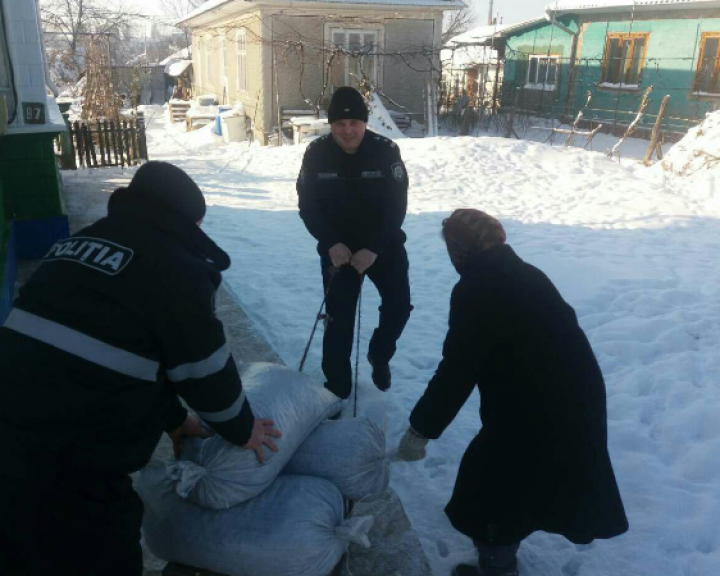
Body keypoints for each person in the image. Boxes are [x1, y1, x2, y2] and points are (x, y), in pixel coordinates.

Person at [0, 162, 281, 576]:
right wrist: (243, 429)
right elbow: (204, 370)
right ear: (187, 221)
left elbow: (121, 348)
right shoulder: (177, 269)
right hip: (70, 462)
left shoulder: (80, 242)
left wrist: (174, 419)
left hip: (11, 422)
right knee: (99, 552)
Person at [397, 209, 629, 576]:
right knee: (521, 481)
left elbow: (457, 370)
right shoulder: (527, 273)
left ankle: (499, 569)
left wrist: (419, 430)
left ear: (460, 252)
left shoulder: (476, 289)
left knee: (491, 489)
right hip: (575, 395)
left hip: (536, 409)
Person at [297, 86, 413, 399]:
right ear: (331, 125)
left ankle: (380, 353)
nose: (347, 131)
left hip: (383, 245)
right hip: (339, 252)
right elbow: (308, 205)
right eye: (339, 125)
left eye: (354, 124)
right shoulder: (316, 153)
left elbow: (397, 206)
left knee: (399, 306)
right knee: (338, 322)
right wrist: (331, 242)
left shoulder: (385, 150)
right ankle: (337, 389)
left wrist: (374, 248)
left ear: (364, 123)